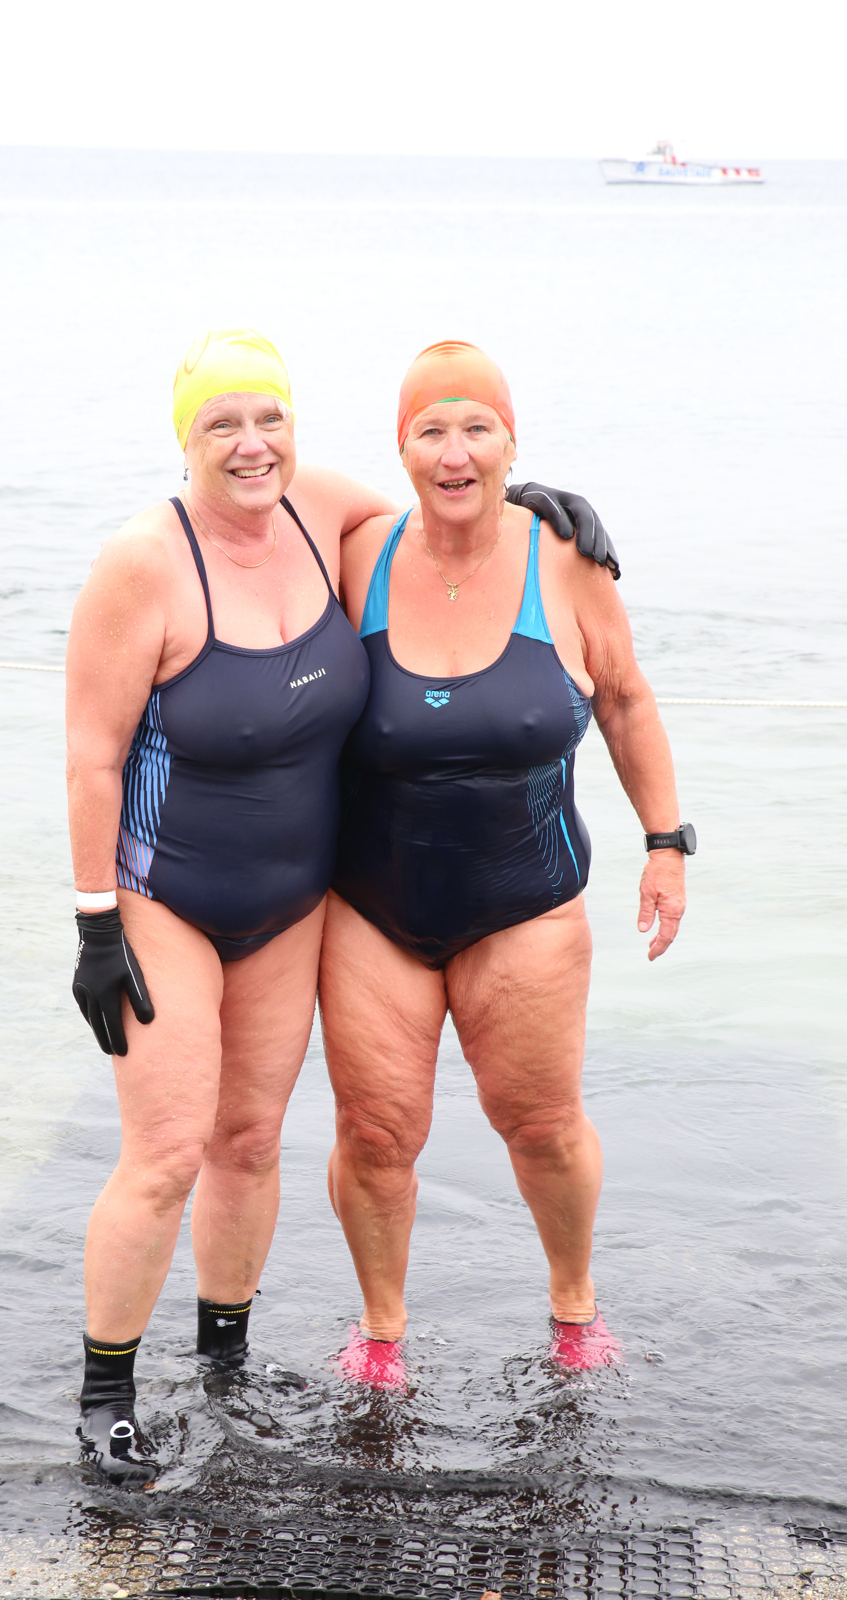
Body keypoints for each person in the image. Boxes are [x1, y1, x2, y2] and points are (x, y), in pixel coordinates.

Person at [65, 328, 614, 1478]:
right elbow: (91, 755)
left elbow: (441, 505)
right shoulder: (143, 560)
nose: (249, 443)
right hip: (164, 894)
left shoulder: (319, 510)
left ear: (293, 428)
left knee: (249, 1141)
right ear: (183, 438)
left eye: (268, 417)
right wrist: (94, 920)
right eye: (220, 422)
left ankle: (224, 1362)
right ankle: (105, 1394)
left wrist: (534, 503)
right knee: (166, 1150)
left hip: (292, 902)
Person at [319, 341, 693, 1383]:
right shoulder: (355, 555)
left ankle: (573, 1307)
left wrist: (665, 845)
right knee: (375, 1133)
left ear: (512, 442)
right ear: (399, 449)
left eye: (476, 429)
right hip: (370, 907)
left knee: (540, 1126)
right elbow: (254, 500)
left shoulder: (564, 561)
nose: (455, 454)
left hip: (525, 902)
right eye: (430, 432)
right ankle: (379, 1334)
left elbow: (625, 699)